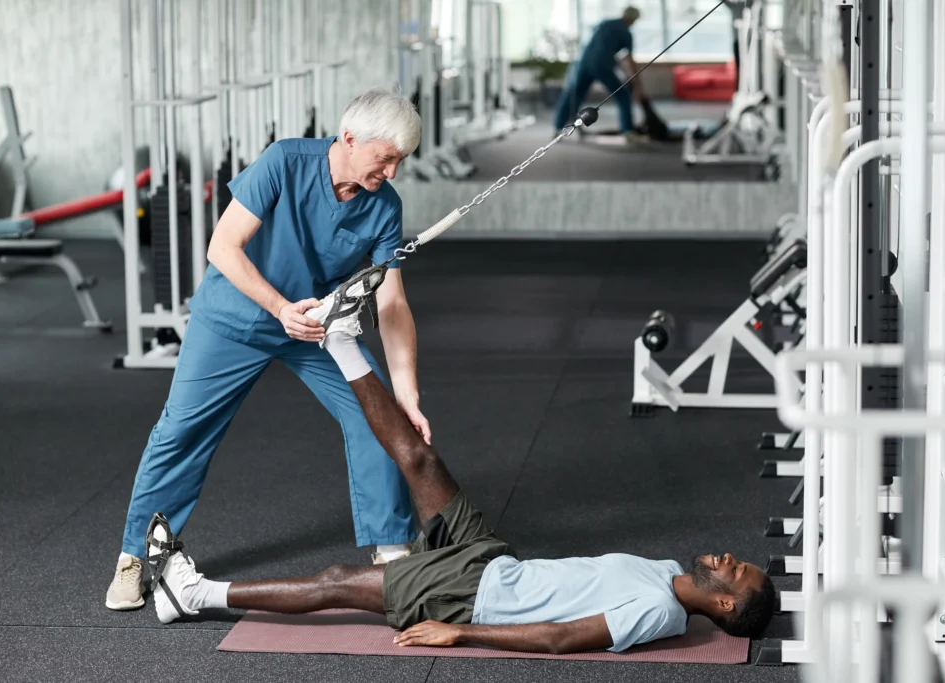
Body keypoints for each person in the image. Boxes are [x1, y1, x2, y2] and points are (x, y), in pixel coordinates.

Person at [143, 302, 777, 654]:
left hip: (472, 597)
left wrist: (461, 631)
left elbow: (560, 638)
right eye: (737, 559)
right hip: (492, 561)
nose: (725, 558)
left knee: (337, 582)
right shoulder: (664, 570)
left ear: (723, 604)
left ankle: (192, 595)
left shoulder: (659, 610)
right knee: (421, 456)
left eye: (734, 570)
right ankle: (341, 337)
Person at [105, 88, 430, 612]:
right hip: (235, 317)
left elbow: (392, 304)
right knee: (182, 429)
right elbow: (222, 246)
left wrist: (407, 394)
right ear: (349, 138)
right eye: (386, 157)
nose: (392, 172)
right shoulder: (285, 161)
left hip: (315, 327)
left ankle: (391, 553)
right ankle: (137, 558)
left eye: (400, 161)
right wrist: (280, 307)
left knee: (380, 416)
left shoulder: (384, 206)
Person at [554, 6, 647, 144]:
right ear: (632, 18)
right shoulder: (626, 32)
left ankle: (557, 129)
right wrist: (637, 85)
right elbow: (629, 60)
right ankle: (628, 131)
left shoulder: (605, 23)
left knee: (574, 95)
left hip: (584, 63)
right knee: (623, 96)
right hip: (601, 66)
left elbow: (601, 46)